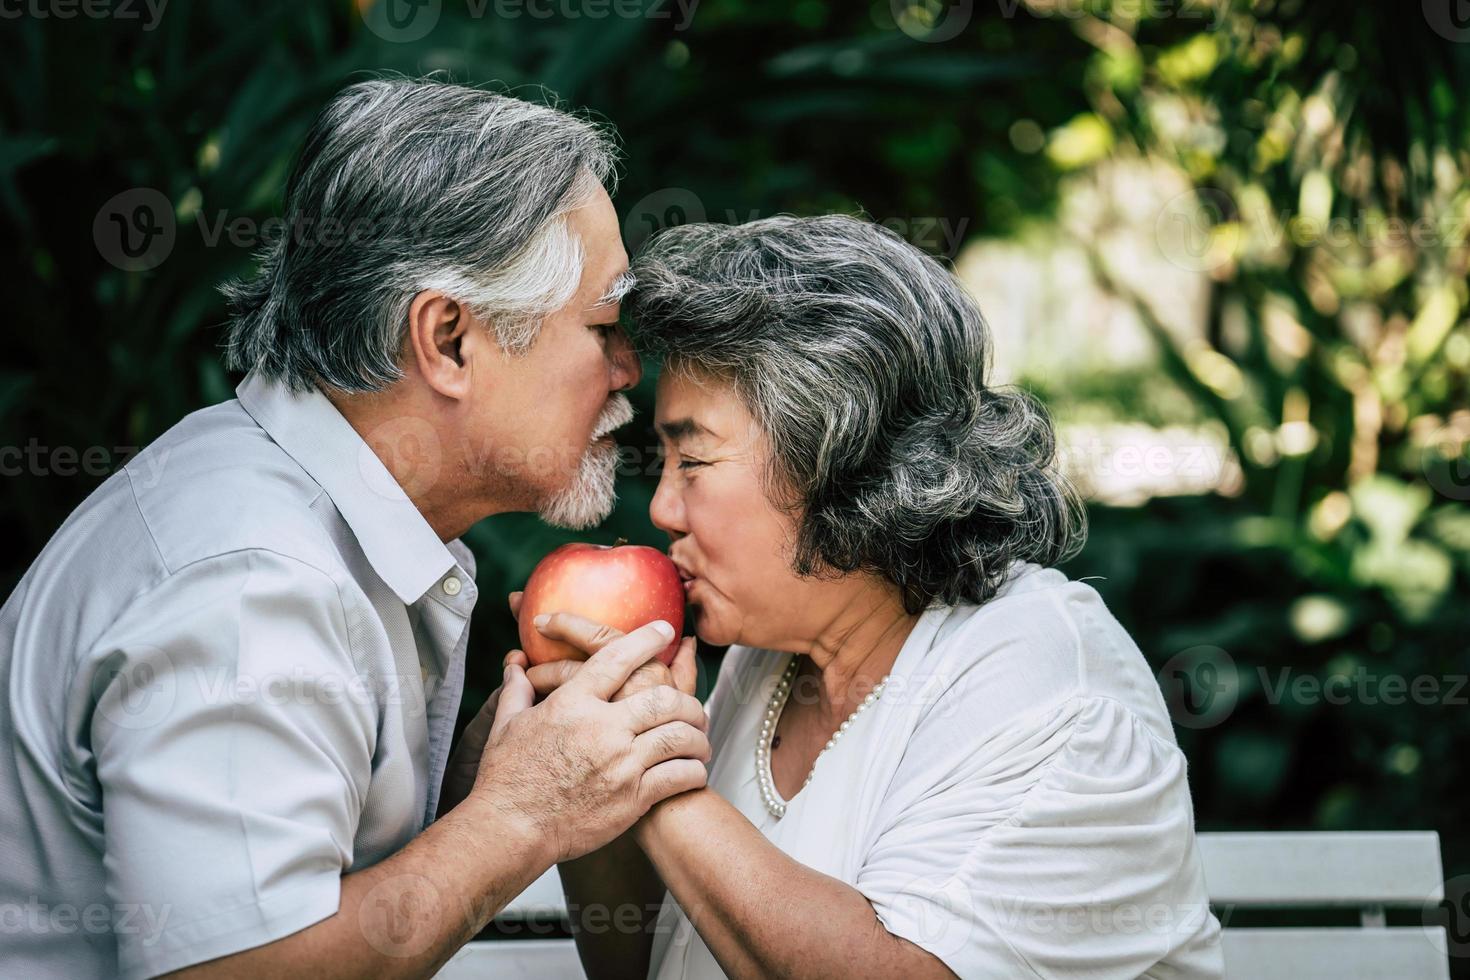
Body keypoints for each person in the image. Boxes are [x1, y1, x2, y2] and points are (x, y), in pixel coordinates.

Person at [0, 77, 709, 979]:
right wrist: (528, 811)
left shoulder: (311, 508)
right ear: (448, 339)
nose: (627, 367)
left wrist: (499, 772)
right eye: (604, 324)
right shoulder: (253, 584)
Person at [516, 214, 1225, 979]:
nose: (661, 510)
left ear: (838, 460)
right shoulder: (774, 650)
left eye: (693, 459)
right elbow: (643, 964)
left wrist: (646, 764)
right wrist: (593, 755)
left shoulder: (1046, 681)